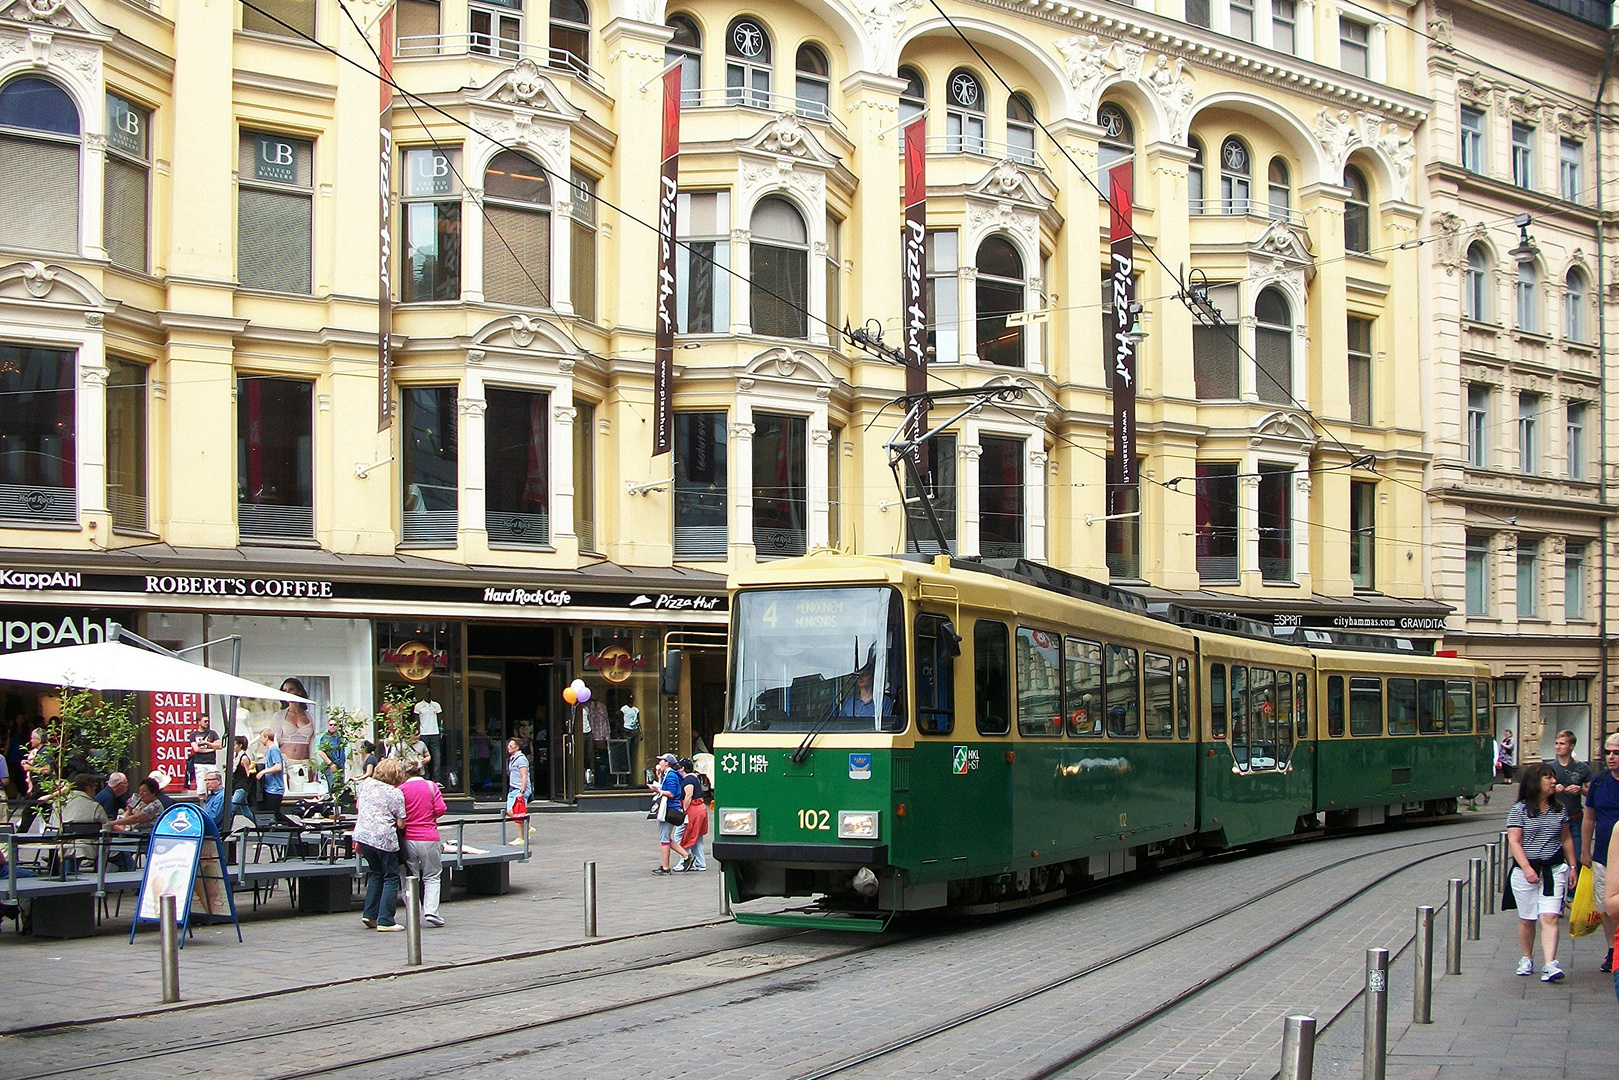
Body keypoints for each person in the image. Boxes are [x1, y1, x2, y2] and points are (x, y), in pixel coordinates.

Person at [1506, 763, 1576, 982]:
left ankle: (1550, 963)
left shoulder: (1559, 809)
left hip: (1553, 870)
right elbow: (1514, 841)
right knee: (1528, 918)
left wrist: (1572, 866)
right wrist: (1526, 868)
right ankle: (1527, 957)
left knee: (1550, 916)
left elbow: (1565, 838)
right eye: (1548, 778)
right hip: (1526, 871)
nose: (1553, 781)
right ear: (1536, 783)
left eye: (1553, 777)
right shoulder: (1520, 810)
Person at [352, 758, 407, 931]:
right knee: (390, 877)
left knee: (376, 873)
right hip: (384, 838)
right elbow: (400, 824)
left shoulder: (366, 784)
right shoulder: (395, 793)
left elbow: (359, 807)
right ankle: (386, 920)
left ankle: (369, 914)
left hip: (363, 836)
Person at [1581, 732, 1619, 973]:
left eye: (1616, 752)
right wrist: (1585, 850)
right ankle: (1612, 948)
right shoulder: (1599, 781)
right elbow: (1589, 817)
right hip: (1604, 855)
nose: (1611, 757)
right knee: (1606, 905)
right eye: (1608, 752)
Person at [399, 758, 447, 927]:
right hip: (429, 836)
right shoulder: (431, 786)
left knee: (409, 876)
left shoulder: (401, 789)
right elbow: (440, 809)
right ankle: (431, 911)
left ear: (404, 773)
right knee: (432, 876)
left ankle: (413, 909)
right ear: (421, 770)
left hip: (408, 838)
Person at [1548, 729, 1592, 864]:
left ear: (1571, 746)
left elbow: (1592, 793)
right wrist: (1553, 787)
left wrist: (1580, 790)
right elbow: (1537, 791)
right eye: (1556, 743)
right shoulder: (1548, 767)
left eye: (1562, 743)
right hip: (1553, 819)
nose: (1558, 747)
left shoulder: (1582, 768)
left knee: (1577, 859)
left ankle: (1574, 883)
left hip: (1575, 819)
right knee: (1554, 860)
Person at [52, 773, 109, 870]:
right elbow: (106, 829)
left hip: (62, 846)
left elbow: (53, 826)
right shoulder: (95, 807)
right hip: (87, 847)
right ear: (89, 788)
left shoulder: (59, 805)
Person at [648, 754, 688, 875]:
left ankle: (665, 867)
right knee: (665, 837)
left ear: (667, 763)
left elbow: (671, 793)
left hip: (669, 809)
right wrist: (658, 776)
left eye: (662, 761)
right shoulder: (668, 775)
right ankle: (686, 856)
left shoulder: (670, 775)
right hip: (669, 808)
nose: (659, 762)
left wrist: (657, 790)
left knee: (664, 838)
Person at [675, 757, 709, 872]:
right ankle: (700, 863)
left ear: (683, 768)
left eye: (679, 767)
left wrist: (684, 810)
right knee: (697, 838)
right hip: (701, 810)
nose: (678, 770)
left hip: (693, 811)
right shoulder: (694, 778)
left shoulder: (688, 780)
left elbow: (688, 795)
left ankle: (683, 861)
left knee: (681, 836)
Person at [256, 728, 295, 827]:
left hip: (275, 788)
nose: (260, 740)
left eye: (261, 738)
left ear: (266, 738)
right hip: (270, 787)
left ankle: (295, 828)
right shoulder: (270, 750)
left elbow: (278, 766)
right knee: (271, 813)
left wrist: (263, 772)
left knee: (275, 814)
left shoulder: (274, 750)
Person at [271, 680, 317, 765]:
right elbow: (274, 741)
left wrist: (313, 764)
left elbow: (313, 742)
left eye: (291, 689)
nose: (288, 692)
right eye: (285, 690)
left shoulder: (310, 717)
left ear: (299, 691)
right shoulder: (279, 716)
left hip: (305, 763)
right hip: (285, 763)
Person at [185, 716, 222, 790]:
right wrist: (212, 749)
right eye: (205, 721)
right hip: (199, 763)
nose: (207, 723)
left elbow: (219, 745)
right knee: (201, 787)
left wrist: (207, 743)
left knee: (215, 784)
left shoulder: (212, 733)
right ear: (199, 722)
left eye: (208, 721)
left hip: (211, 763)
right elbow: (196, 749)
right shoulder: (193, 735)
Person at [414, 696, 443, 783]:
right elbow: (416, 719)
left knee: (436, 757)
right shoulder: (419, 706)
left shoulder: (436, 705)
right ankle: (425, 777)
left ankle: (436, 779)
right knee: (423, 757)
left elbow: (440, 718)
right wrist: (417, 731)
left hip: (435, 733)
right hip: (423, 733)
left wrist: (441, 730)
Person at [314, 718, 346, 793]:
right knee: (334, 789)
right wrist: (330, 764)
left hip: (339, 767)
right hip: (330, 767)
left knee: (340, 789)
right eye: (331, 725)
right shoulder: (326, 737)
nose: (333, 726)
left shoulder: (339, 737)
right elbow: (320, 751)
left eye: (335, 725)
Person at [199, 768, 230, 836]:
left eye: (210, 780)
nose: (207, 782)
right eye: (206, 780)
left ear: (218, 781)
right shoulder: (211, 795)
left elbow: (214, 818)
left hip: (215, 833)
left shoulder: (221, 796)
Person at [505, 738, 531, 815]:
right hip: (513, 788)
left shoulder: (521, 759)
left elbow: (524, 776)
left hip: (519, 789)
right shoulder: (512, 759)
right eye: (508, 745)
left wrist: (522, 791)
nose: (508, 747)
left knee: (519, 812)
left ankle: (527, 826)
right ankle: (527, 827)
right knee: (510, 811)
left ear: (517, 747)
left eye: (511, 745)